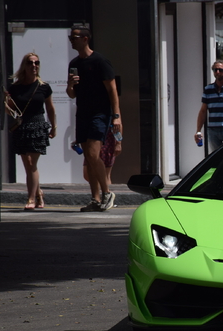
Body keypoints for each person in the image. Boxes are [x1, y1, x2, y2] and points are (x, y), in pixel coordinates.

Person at [66, 25, 121, 212]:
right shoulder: (74, 64)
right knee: (89, 158)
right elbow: (71, 95)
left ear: (85, 39)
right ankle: (95, 199)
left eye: (74, 37)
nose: (71, 40)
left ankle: (107, 193)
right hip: (83, 113)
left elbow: (112, 90)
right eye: (70, 37)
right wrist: (70, 85)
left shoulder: (100, 61)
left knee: (92, 154)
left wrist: (116, 116)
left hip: (100, 113)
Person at [5, 53, 56, 210]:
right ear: (24, 66)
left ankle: (31, 198)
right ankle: (39, 192)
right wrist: (5, 102)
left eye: (36, 63)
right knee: (28, 166)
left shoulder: (44, 87)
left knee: (31, 163)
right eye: (30, 63)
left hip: (38, 125)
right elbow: (11, 109)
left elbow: (50, 109)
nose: (34, 65)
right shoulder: (15, 88)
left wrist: (54, 127)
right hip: (22, 126)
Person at [196, 60, 223, 150]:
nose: (217, 72)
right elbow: (203, 111)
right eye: (215, 70)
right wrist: (198, 131)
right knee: (216, 158)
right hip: (213, 130)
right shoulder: (208, 89)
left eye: (220, 70)